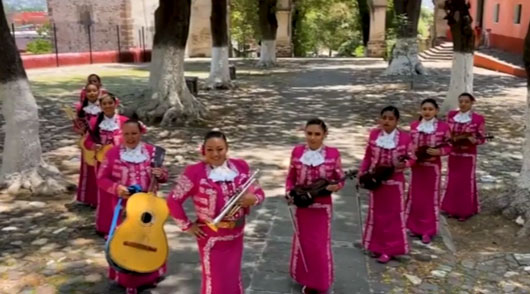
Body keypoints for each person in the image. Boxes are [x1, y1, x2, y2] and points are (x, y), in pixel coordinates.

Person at [167, 130, 265, 294]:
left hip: (236, 235)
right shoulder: (194, 172)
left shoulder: (240, 166)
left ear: (227, 148)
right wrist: (187, 226)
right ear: (203, 150)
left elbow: (259, 193)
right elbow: (173, 200)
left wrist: (253, 199)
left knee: (233, 277)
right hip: (211, 237)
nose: (215, 154)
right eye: (210, 150)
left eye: (219, 149)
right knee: (216, 281)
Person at [97, 119, 168, 294]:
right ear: (121, 134)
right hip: (122, 208)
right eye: (126, 134)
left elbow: (164, 176)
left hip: (147, 208)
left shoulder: (152, 152)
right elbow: (101, 178)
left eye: (134, 133)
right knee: (127, 242)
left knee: (148, 239)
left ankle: (150, 275)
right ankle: (127, 280)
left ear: (141, 133)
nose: (130, 137)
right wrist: (117, 188)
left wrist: (161, 174)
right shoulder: (113, 153)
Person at [285, 118, 345, 294]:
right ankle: (305, 278)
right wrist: (289, 192)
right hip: (303, 206)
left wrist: (337, 186)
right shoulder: (297, 152)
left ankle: (320, 281)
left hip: (322, 207)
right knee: (304, 243)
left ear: (324, 135)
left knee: (319, 245)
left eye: (317, 134)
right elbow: (290, 177)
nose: (312, 138)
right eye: (309, 133)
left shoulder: (333, 154)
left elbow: (340, 178)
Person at [359, 106, 414, 263]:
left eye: (391, 119)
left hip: (395, 183)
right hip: (376, 181)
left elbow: (413, 158)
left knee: (393, 216)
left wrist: (404, 165)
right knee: (377, 214)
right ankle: (376, 245)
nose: (387, 121)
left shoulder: (405, 138)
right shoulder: (374, 135)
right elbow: (368, 156)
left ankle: (390, 249)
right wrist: (362, 172)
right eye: (384, 118)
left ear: (396, 121)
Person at [405, 99, 451, 244]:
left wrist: (439, 151)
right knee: (415, 197)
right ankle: (413, 227)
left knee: (430, 199)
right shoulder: (414, 126)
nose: (427, 112)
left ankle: (427, 230)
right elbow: (408, 146)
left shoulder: (443, 127)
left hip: (432, 169)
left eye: (430, 109)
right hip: (417, 168)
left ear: (436, 111)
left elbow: (450, 145)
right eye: (424, 109)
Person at [84, 93, 130, 235]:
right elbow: (87, 142)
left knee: (124, 193)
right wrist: (94, 146)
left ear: (116, 103)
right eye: (104, 104)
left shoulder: (124, 121)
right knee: (105, 195)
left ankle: (127, 227)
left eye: (110, 103)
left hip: (123, 163)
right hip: (103, 164)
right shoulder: (93, 122)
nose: (108, 106)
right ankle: (105, 227)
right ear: (101, 106)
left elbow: (135, 138)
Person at [441, 93, 486, 221]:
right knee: (452, 180)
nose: (463, 104)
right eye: (461, 101)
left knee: (465, 182)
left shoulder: (478, 119)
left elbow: (482, 138)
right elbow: (446, 133)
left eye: (466, 101)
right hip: (454, 154)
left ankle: (465, 210)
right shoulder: (451, 116)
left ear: (472, 103)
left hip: (468, 155)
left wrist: (474, 140)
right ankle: (451, 208)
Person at [73, 82, 102, 206]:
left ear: (98, 91)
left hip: (102, 142)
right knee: (88, 170)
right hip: (87, 143)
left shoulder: (104, 105)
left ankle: (100, 198)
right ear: (85, 93)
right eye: (89, 91)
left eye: (94, 90)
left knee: (101, 169)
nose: (91, 93)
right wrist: (79, 129)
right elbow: (77, 125)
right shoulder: (81, 108)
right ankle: (87, 198)